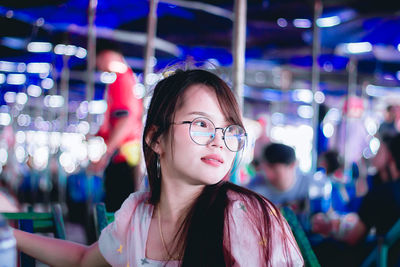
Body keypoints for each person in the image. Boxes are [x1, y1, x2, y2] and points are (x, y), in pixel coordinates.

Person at [13, 68, 303, 266]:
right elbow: (82, 261)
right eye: (202, 125)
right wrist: (9, 234)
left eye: (230, 130)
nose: (219, 141)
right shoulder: (137, 218)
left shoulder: (244, 216)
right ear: (155, 138)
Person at [312, 133, 400, 266]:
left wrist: (330, 229)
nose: (374, 155)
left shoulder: (383, 192)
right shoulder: (373, 184)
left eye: (380, 151)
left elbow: (354, 238)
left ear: (390, 158)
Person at [88, 40, 143, 212]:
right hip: (126, 155)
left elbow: (125, 121)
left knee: (116, 210)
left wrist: (107, 152)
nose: (97, 65)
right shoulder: (127, 79)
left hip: (122, 157)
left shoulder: (121, 81)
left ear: (105, 56)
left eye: (97, 60)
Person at [247, 142, 310, 214]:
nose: (268, 175)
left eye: (274, 169)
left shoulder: (311, 186)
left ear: (292, 165)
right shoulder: (254, 189)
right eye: (265, 169)